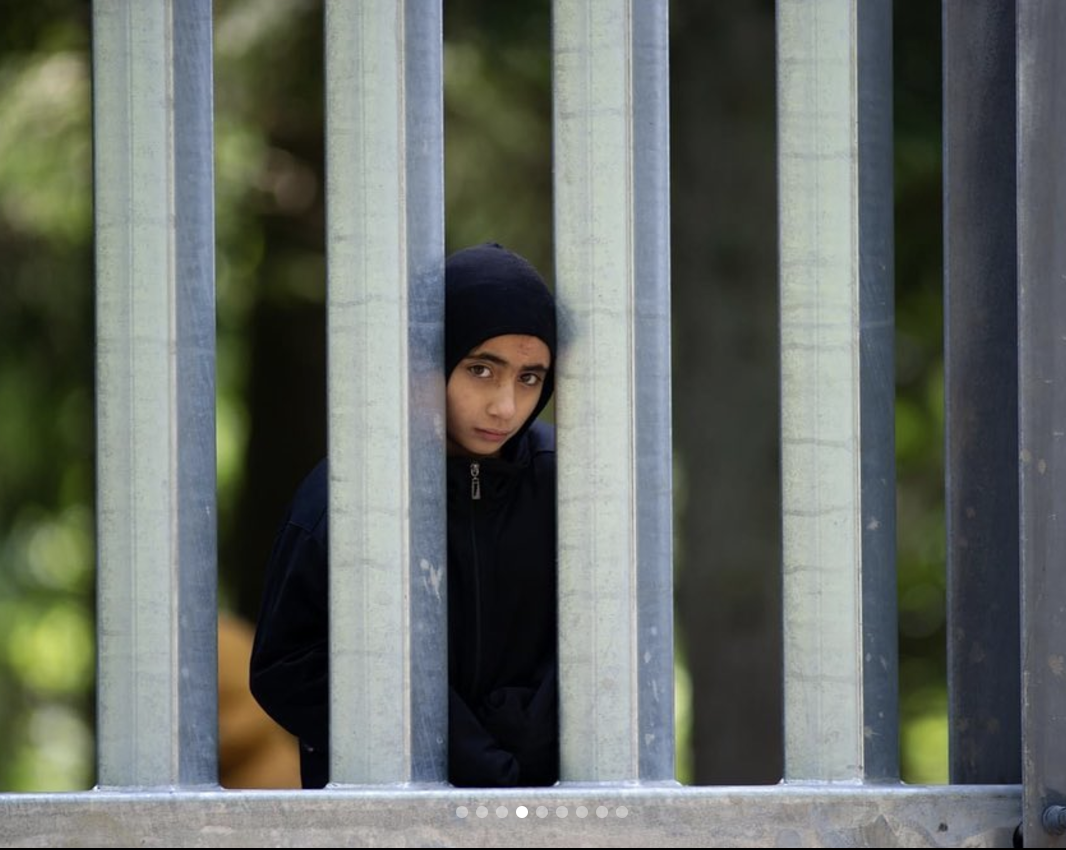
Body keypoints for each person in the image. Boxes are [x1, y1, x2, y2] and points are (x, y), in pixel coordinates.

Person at [249, 242, 559, 788]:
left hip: (543, 815)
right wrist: (466, 751)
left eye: (529, 378)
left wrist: (527, 745)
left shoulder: (569, 489)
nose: (505, 407)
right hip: (387, 817)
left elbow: (610, 644)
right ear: (429, 361)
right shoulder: (353, 494)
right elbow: (287, 669)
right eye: (481, 370)